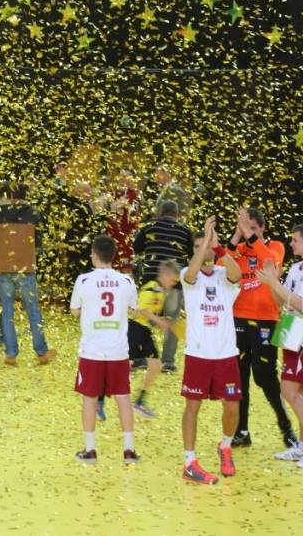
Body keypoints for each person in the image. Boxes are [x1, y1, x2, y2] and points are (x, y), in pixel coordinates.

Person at [257, 222, 303, 469]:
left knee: (289, 391)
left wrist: (274, 283)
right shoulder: (297, 267)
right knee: (302, 391)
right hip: (290, 333)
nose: (291, 244)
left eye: (295, 240)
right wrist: (273, 282)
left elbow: (302, 304)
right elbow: (281, 301)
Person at [179, 216, 244, 485]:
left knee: (232, 406)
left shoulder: (223, 274)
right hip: (198, 354)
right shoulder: (188, 274)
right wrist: (205, 240)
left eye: (205, 245)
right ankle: (189, 462)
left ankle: (225, 447)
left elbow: (237, 274)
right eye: (197, 246)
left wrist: (217, 247)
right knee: (192, 407)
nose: (202, 249)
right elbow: (191, 274)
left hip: (225, 354)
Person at [228, 207, 297, 449]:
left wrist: (249, 235)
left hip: (266, 320)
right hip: (237, 319)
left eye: (254, 228)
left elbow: (269, 260)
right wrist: (237, 236)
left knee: (265, 376)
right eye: (245, 228)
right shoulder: (239, 249)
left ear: (263, 228)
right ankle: (241, 431)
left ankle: (286, 427)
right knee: (240, 378)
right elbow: (221, 266)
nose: (250, 233)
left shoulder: (276, 246)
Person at [70, 235, 140, 464]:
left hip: (92, 350)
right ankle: (129, 450)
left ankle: (90, 450)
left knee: (89, 399)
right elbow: (134, 311)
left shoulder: (84, 280)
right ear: (113, 255)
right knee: (123, 397)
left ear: (94, 254)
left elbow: (74, 311)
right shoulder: (127, 281)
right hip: (118, 350)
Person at [0, 182, 55, 366]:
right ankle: (41, 351)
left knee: (7, 310)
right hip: (26, 266)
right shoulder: (33, 213)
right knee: (33, 309)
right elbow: (39, 241)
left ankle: (11, 354)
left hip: (4, 266)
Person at [132, 199, 194, 371]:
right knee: (172, 321)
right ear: (177, 215)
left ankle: (141, 357)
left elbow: (136, 248)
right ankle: (167, 362)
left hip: (152, 282)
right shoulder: (185, 230)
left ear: (160, 213)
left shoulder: (149, 227)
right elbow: (192, 255)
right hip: (174, 283)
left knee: (143, 319)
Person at [131, 260, 181, 418]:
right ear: (165, 275)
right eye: (173, 279)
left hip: (145, 330)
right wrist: (159, 321)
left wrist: (162, 322)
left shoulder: (161, 291)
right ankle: (99, 398)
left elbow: (152, 314)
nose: (174, 283)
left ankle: (139, 401)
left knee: (156, 366)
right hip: (134, 328)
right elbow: (141, 309)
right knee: (122, 365)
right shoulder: (151, 287)